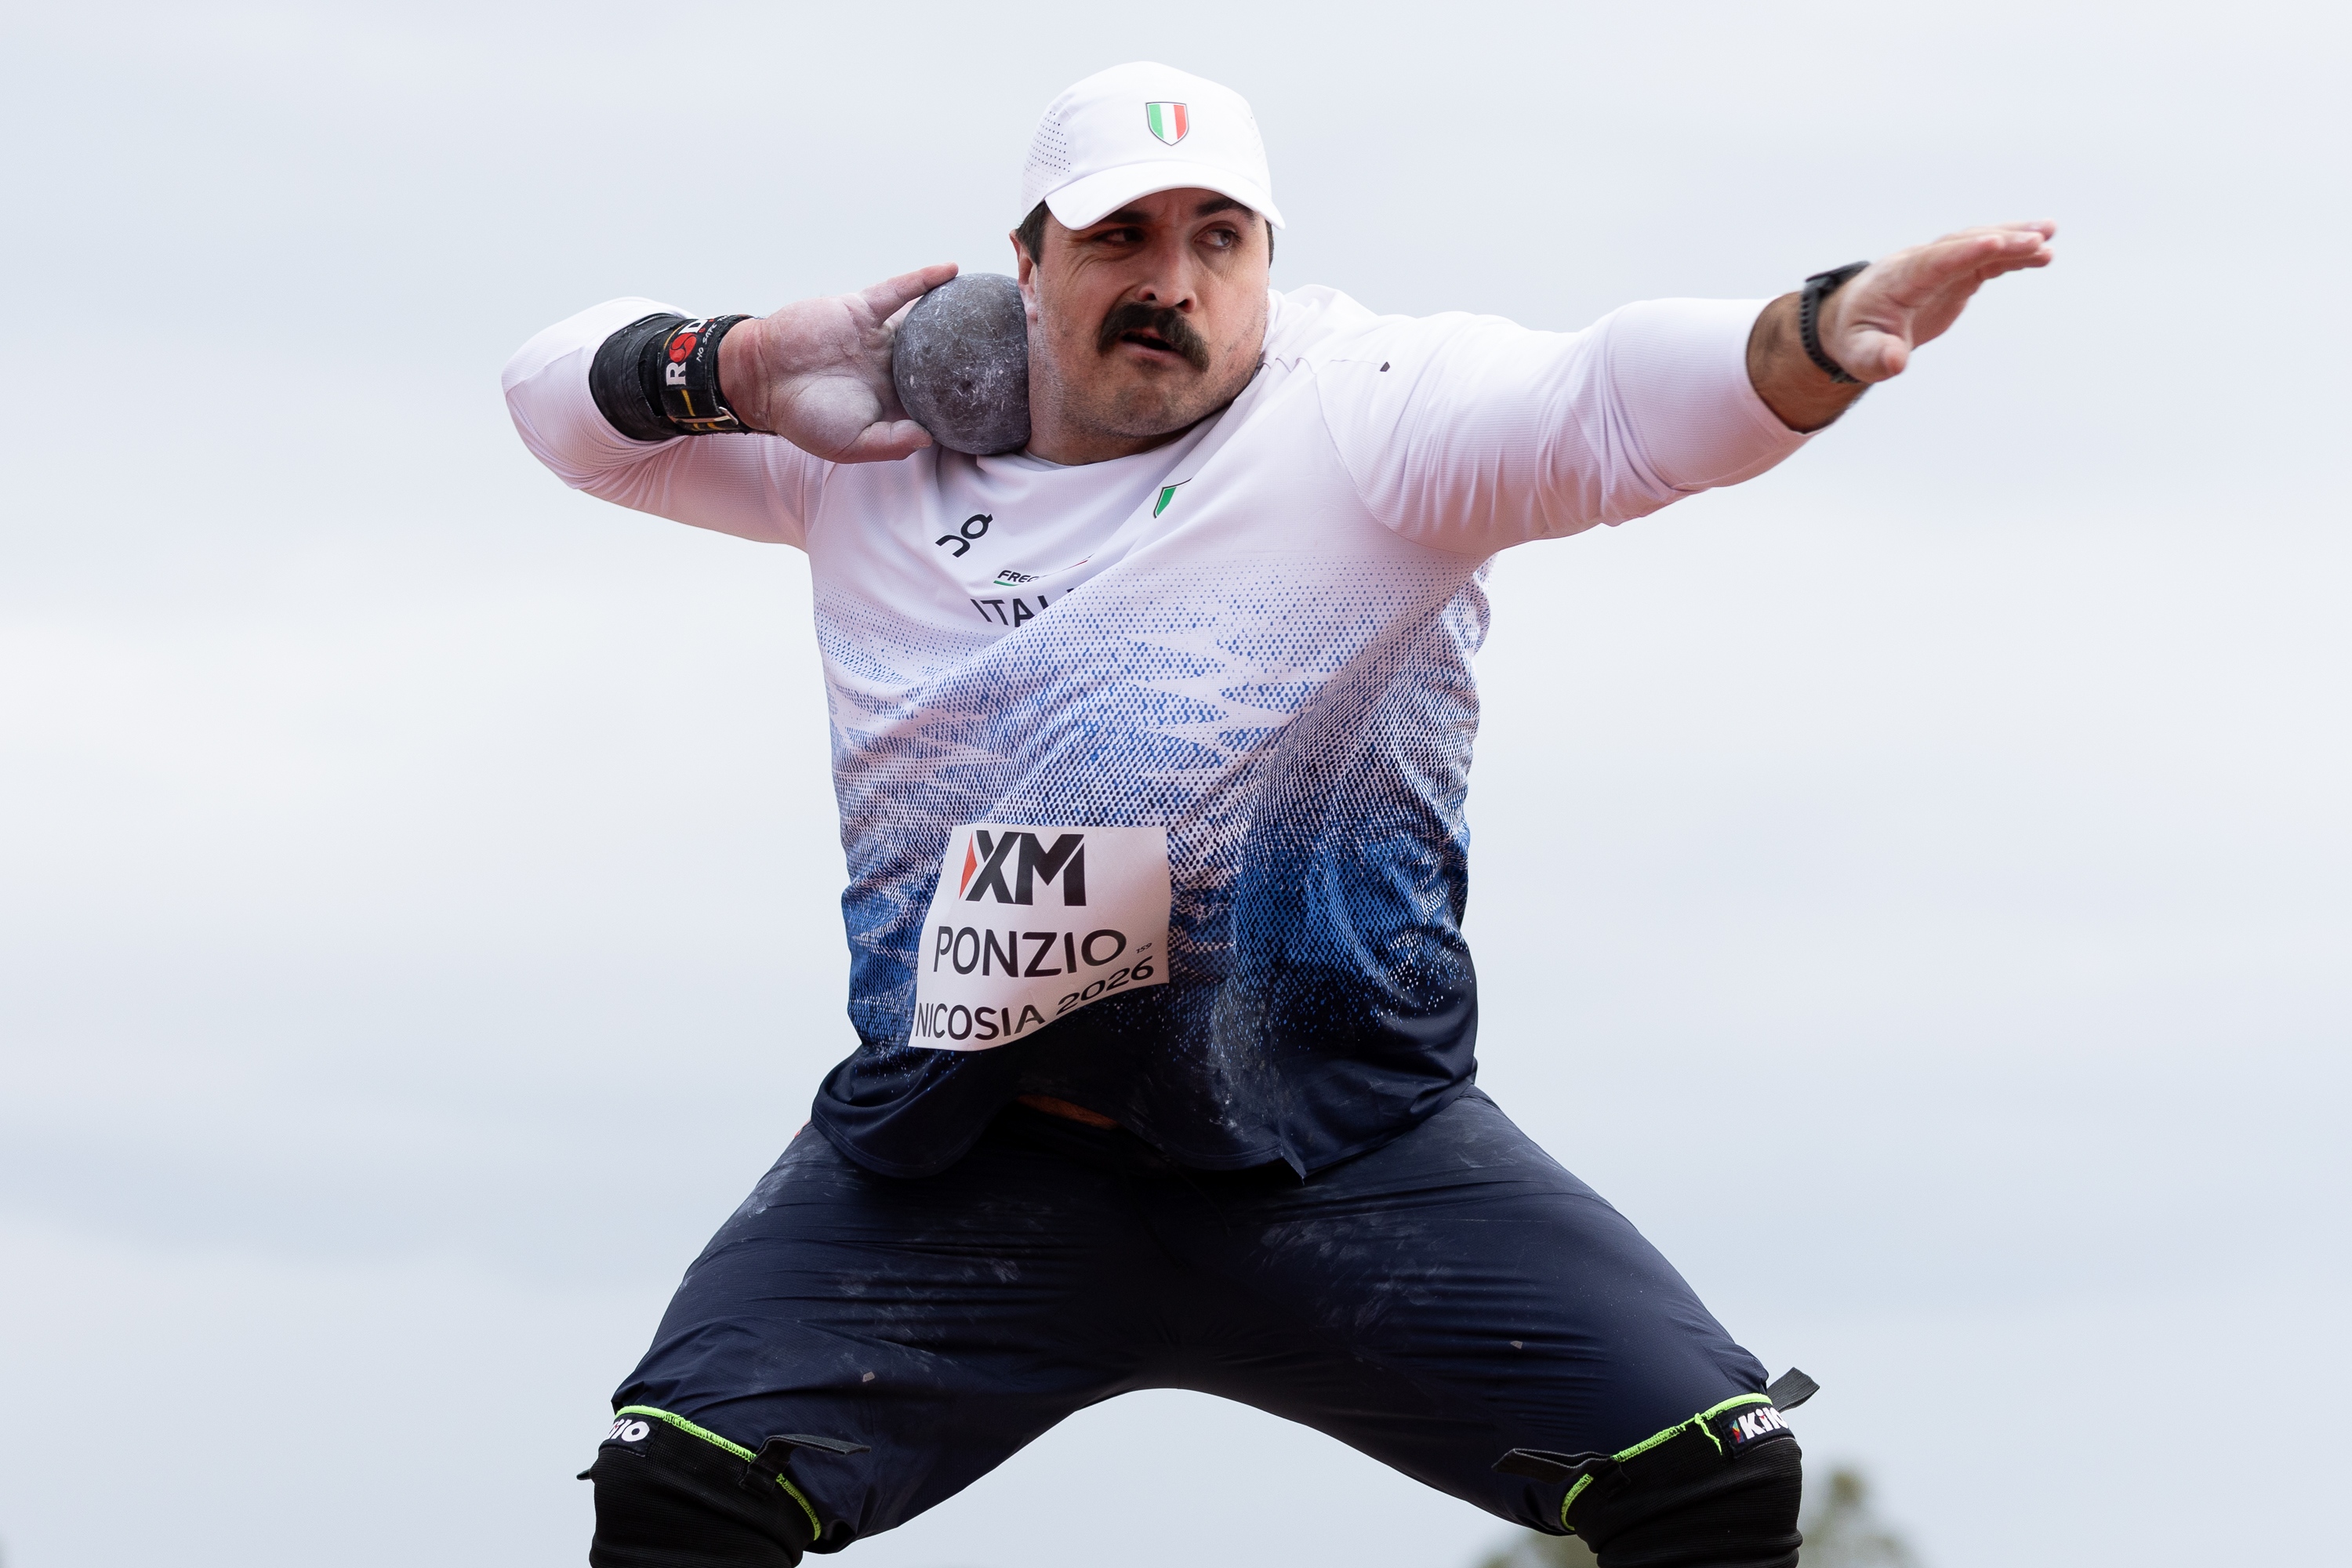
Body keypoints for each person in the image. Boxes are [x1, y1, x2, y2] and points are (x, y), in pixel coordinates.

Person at [504, 60, 2052, 1568]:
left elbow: (1609, 398)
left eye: (1217, 239)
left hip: (1347, 1156)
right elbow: (553, 399)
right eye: (1119, 236)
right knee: (684, 1490)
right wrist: (733, 365)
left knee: (1708, 1472)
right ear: (1027, 267)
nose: (1169, 281)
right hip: (965, 1166)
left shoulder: (1367, 414)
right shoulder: (871, 449)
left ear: (1266, 263)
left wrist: (1812, 336)